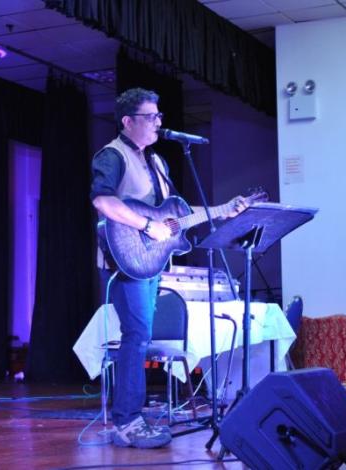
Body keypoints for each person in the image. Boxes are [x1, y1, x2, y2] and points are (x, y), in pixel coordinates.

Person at [90, 88, 247, 449]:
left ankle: (132, 417)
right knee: (136, 336)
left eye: (159, 116)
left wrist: (224, 209)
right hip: (125, 259)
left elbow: (174, 215)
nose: (158, 122)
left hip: (149, 261)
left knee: (140, 335)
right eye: (150, 117)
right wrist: (147, 226)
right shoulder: (112, 155)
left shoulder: (158, 163)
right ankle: (127, 421)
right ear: (128, 121)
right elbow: (103, 201)